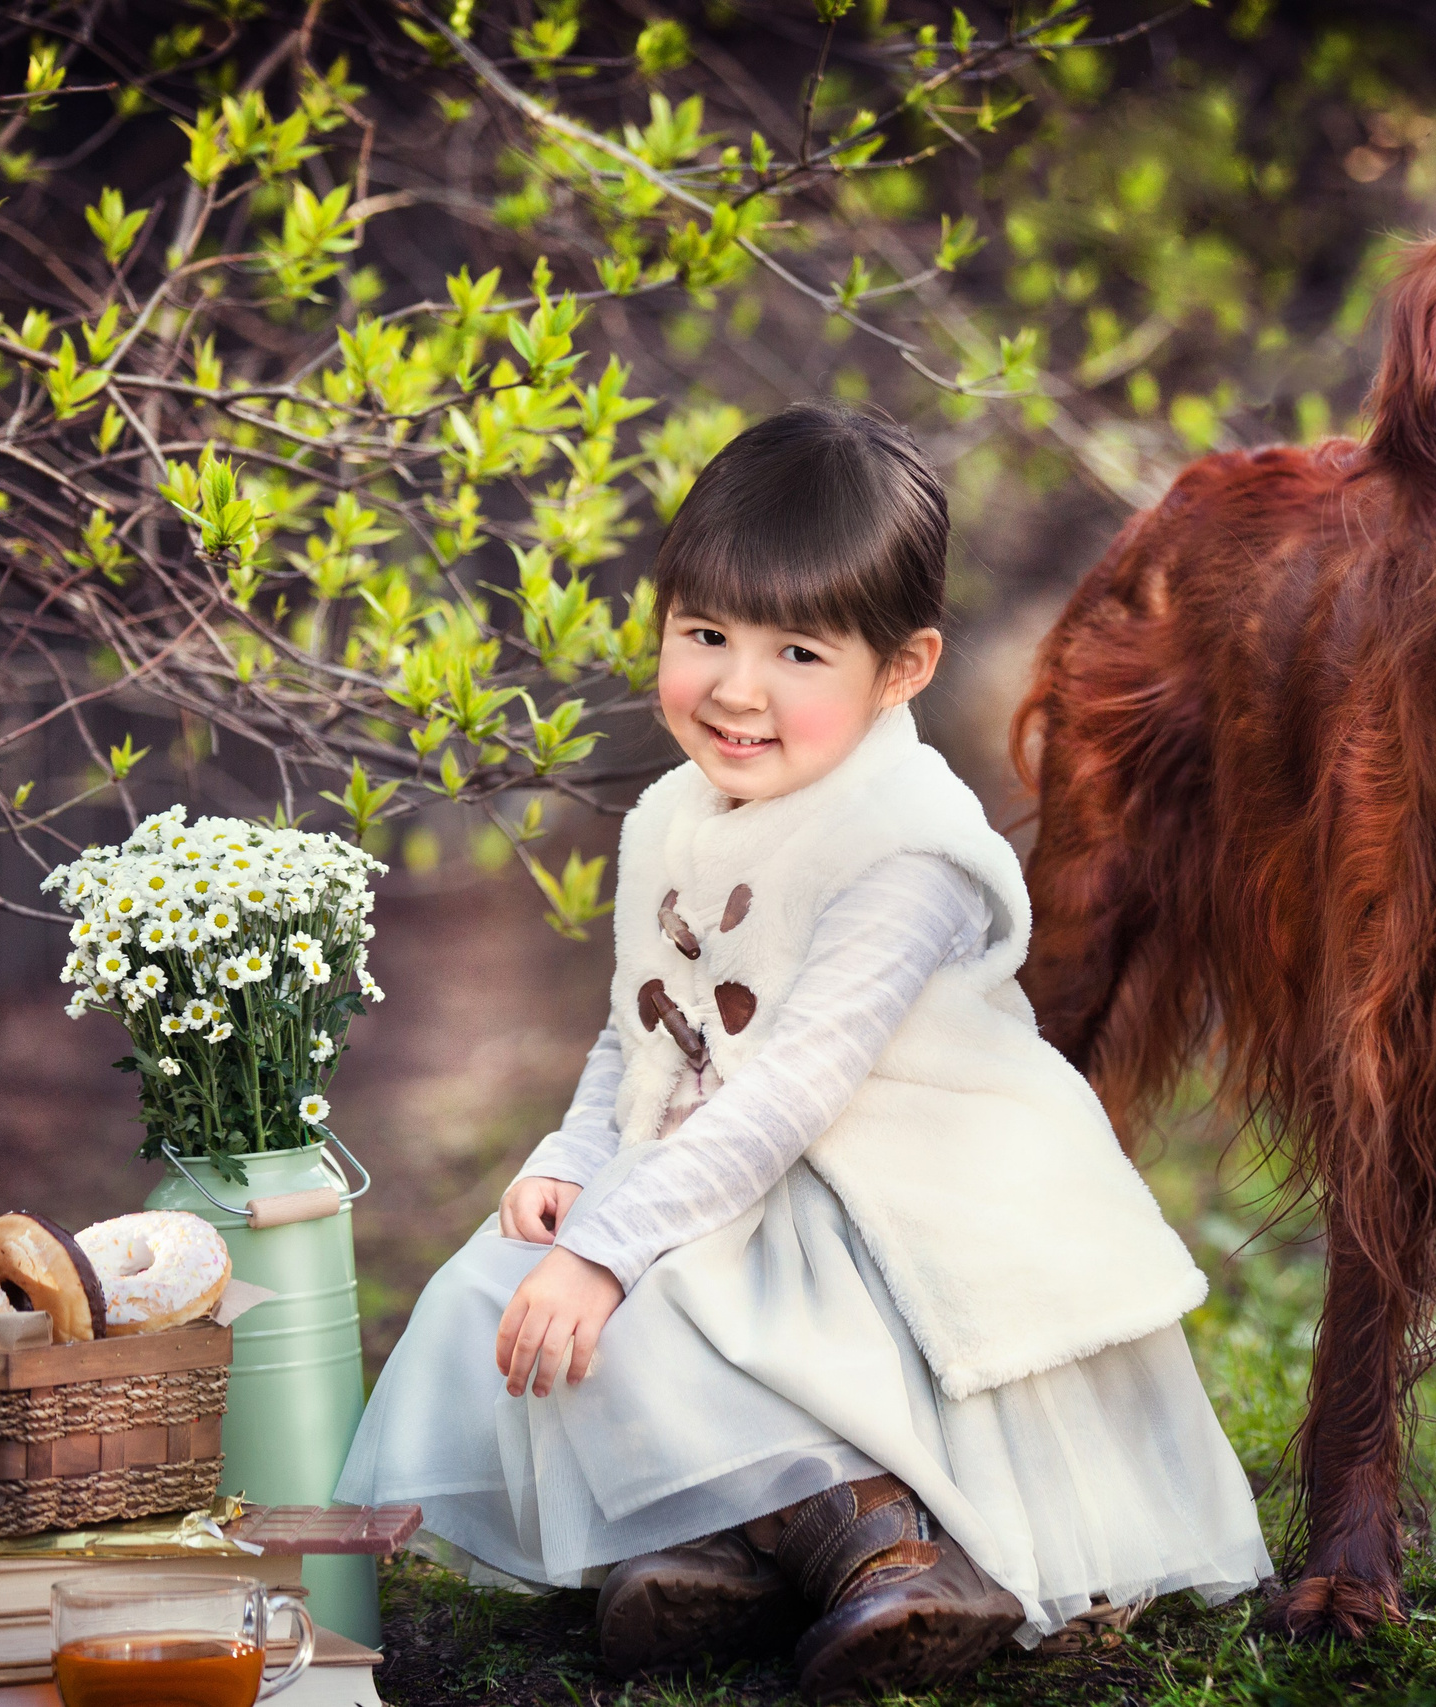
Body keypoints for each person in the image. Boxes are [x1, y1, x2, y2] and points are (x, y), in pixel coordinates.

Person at [335, 401, 1270, 1700]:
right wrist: (573, 1154)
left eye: (799, 653)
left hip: (891, 1211)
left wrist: (612, 1247)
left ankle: (889, 1540)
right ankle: (726, 1543)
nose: (738, 689)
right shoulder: (671, 813)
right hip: (733, 1183)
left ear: (903, 669)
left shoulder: (907, 847)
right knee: (505, 1291)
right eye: (705, 635)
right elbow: (640, 1023)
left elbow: (788, 1100)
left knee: (661, 1295)